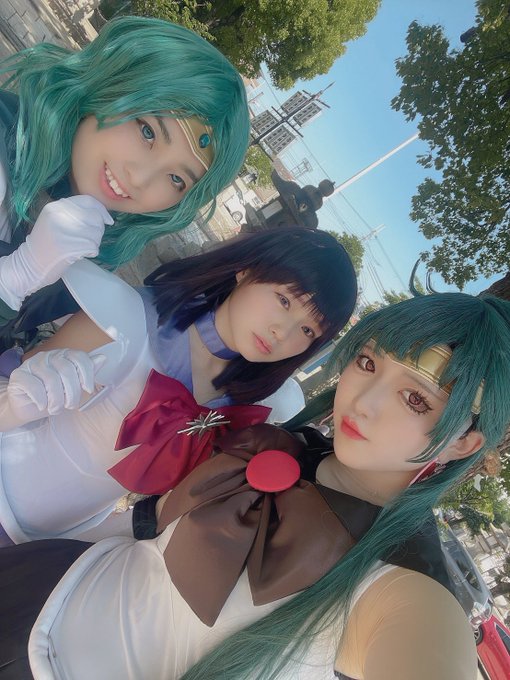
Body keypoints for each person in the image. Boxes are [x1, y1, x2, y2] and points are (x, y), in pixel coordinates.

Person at [1, 289, 507, 679]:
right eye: (367, 362)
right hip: (40, 585)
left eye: (416, 399)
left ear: (463, 443)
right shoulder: (281, 439)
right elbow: (144, 528)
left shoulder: (407, 582)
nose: (363, 401)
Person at [0, 227, 357, 544]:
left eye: (308, 330)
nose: (283, 332)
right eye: (284, 300)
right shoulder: (128, 320)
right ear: (247, 269)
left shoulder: (253, 409)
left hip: (52, 544)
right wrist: (17, 400)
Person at [0, 16, 249, 328]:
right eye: (147, 131)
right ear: (112, 85)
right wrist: (17, 276)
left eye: (176, 179)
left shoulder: (96, 241)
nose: (139, 179)